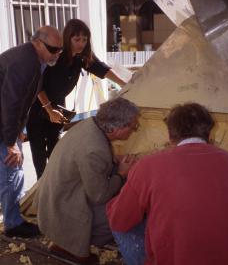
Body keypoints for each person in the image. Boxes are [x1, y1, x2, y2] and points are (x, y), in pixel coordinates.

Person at [106, 103, 228, 265]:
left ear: (170, 134)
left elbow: (119, 220)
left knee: (122, 223)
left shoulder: (149, 164)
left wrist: (115, 201)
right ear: (208, 132)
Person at [34, 97, 140, 264]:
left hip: (53, 199)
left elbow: (89, 161)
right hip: (60, 206)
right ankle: (76, 251)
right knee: (124, 211)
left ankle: (63, 242)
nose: (134, 130)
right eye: (133, 126)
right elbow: (99, 195)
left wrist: (113, 162)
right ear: (117, 129)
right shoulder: (94, 148)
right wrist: (121, 174)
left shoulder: (90, 124)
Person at [26, 18, 127, 179]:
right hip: (39, 109)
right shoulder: (55, 55)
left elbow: (102, 69)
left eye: (85, 39)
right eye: (77, 39)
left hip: (58, 111)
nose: (81, 43)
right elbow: (38, 86)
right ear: (68, 38)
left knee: (55, 154)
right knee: (39, 157)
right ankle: (42, 194)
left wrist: (125, 84)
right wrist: (49, 109)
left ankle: (55, 189)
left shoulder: (81, 57)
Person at [0, 26, 62, 238]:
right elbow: (11, 103)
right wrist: (10, 143)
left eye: (60, 49)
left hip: (7, 123)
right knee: (12, 172)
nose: (58, 54)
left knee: (9, 172)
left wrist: (18, 132)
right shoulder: (24, 62)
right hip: (3, 122)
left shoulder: (34, 59)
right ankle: (13, 225)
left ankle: (11, 218)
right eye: (54, 49)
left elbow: (25, 99)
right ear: (37, 43)